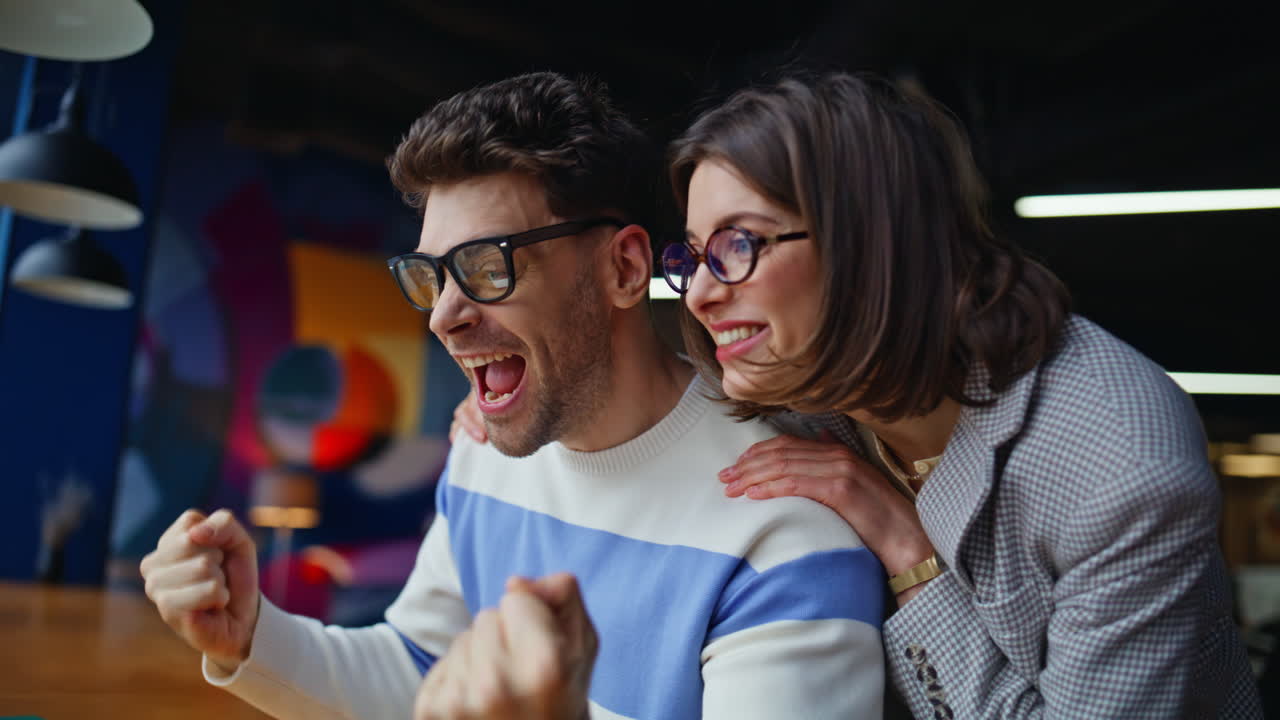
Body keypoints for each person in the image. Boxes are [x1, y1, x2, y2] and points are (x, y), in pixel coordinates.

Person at [450, 72, 1266, 718]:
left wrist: (905, 546)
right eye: (692, 255)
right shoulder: (804, 387)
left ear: (868, 240)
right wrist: (507, 403)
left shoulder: (1117, 459)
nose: (697, 293)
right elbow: (647, 396)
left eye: (738, 245)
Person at [138, 72, 887, 720]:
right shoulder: (483, 457)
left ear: (625, 270)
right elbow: (419, 668)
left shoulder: (785, 535)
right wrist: (252, 635)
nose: (443, 315)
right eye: (431, 276)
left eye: (488, 265)